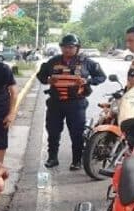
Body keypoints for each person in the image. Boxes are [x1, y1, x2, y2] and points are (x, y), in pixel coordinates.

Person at [37, 34, 106, 170]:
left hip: (76, 103)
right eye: (64, 47)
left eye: (70, 47)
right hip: (56, 103)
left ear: (77, 48)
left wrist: (87, 81)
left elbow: (101, 76)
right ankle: (52, 158)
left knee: (76, 133)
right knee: (53, 131)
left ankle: (76, 161)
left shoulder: (86, 62)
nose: (67, 50)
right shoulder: (53, 61)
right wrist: (48, 80)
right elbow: (41, 75)